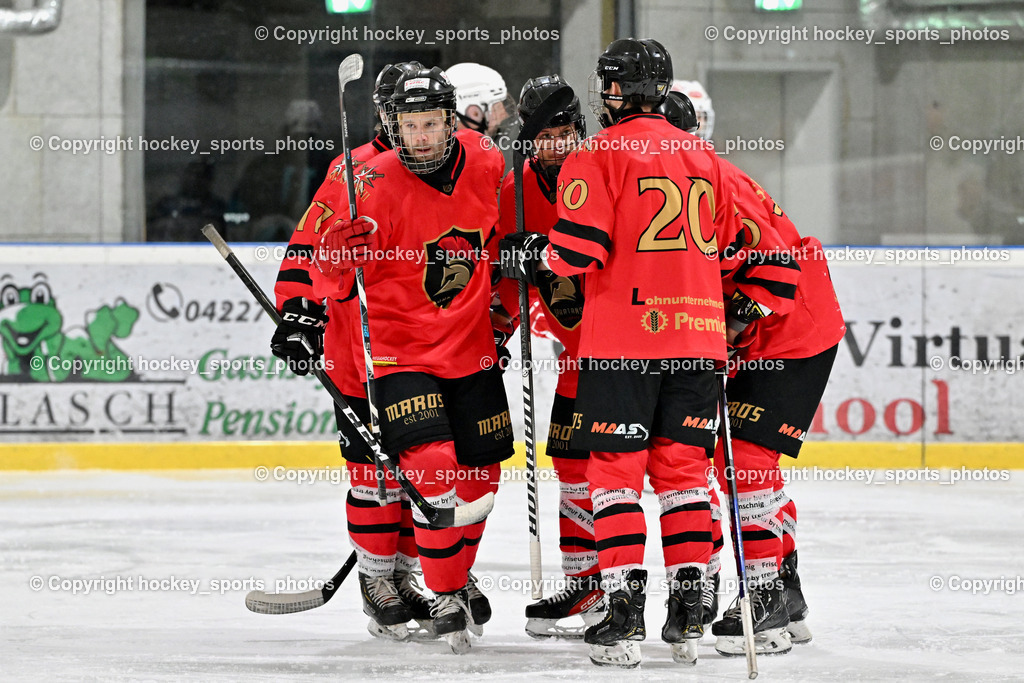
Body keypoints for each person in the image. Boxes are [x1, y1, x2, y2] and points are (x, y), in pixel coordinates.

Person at [503, 38, 798, 668]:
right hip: (698, 342)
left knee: (614, 478)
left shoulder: (597, 153)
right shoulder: (703, 155)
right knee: (683, 477)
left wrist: (533, 255)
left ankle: (623, 614)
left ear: (613, 90)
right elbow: (749, 251)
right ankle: (689, 611)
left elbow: (577, 252)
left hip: (623, 345)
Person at [311, 66, 514, 655]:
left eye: (429, 124)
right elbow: (323, 273)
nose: (419, 137)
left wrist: (506, 302)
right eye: (408, 125)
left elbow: (498, 241)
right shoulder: (365, 182)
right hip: (398, 352)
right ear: (392, 126)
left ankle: (452, 574)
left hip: (471, 347)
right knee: (431, 466)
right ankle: (441, 589)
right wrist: (335, 257)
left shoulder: (487, 160)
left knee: (481, 474)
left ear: (452, 121)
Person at [661, 88, 846, 655]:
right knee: (733, 459)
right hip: (765, 334)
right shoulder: (671, 184)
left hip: (792, 331)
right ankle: (785, 593)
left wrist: (730, 327)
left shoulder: (715, 183)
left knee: (744, 460)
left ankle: (763, 599)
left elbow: (778, 270)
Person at [270, 62, 435, 642]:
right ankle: (376, 580)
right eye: (398, 114)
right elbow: (307, 246)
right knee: (374, 472)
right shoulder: (353, 169)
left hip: (425, 353)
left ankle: (406, 577)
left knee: (420, 472)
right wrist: (300, 310)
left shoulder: (448, 171)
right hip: (358, 351)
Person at [494, 75, 603, 638]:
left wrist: (546, 252)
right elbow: (507, 283)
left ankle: (695, 588)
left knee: (666, 474)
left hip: (627, 353)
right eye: (545, 135)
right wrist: (497, 326)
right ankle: (585, 584)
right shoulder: (513, 192)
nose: (557, 144)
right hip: (576, 362)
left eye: (565, 133)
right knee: (572, 467)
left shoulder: (604, 171)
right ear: (528, 138)